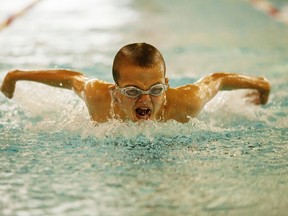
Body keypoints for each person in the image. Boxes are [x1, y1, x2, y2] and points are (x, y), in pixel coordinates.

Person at [0, 42, 270, 123]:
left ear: (166, 84)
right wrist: (16, 75)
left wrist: (259, 84)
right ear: (115, 90)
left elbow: (217, 80)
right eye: (131, 91)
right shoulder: (99, 97)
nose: (144, 100)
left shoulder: (183, 103)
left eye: (155, 89)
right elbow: (72, 79)